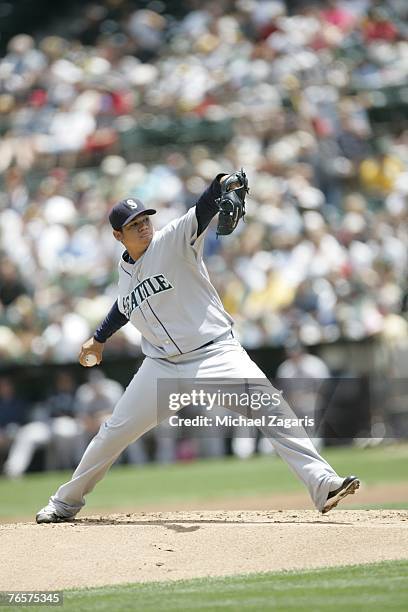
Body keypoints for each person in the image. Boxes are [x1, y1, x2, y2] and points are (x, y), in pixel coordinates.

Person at [36, 172, 359, 523]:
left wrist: (219, 185)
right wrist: (99, 339)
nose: (143, 226)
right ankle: (64, 503)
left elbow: (202, 209)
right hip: (161, 367)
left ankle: (323, 484)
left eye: (145, 219)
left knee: (271, 408)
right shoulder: (124, 268)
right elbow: (124, 304)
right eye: (134, 224)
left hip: (215, 353)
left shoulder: (173, 239)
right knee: (112, 433)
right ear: (118, 236)